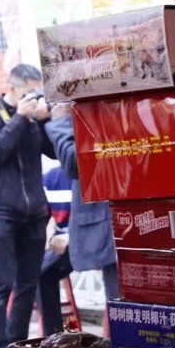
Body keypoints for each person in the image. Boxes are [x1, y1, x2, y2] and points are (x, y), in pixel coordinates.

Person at [0, 64, 53, 348]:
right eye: (29, 92)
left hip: (34, 214)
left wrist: (46, 120)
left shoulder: (31, 121)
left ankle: (17, 345)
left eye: (38, 92)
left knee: (28, 284)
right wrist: (20, 118)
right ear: (11, 88)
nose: (34, 98)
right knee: (0, 284)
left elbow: (54, 151)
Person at [47, 102, 118, 313]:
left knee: (124, 310)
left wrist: (61, 121)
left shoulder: (100, 113)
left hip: (115, 226)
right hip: (130, 223)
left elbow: (73, 163)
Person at [37, 165, 73, 336]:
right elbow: (41, 216)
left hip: (91, 239)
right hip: (60, 244)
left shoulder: (92, 171)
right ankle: (53, 336)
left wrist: (69, 237)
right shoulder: (49, 179)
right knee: (39, 273)